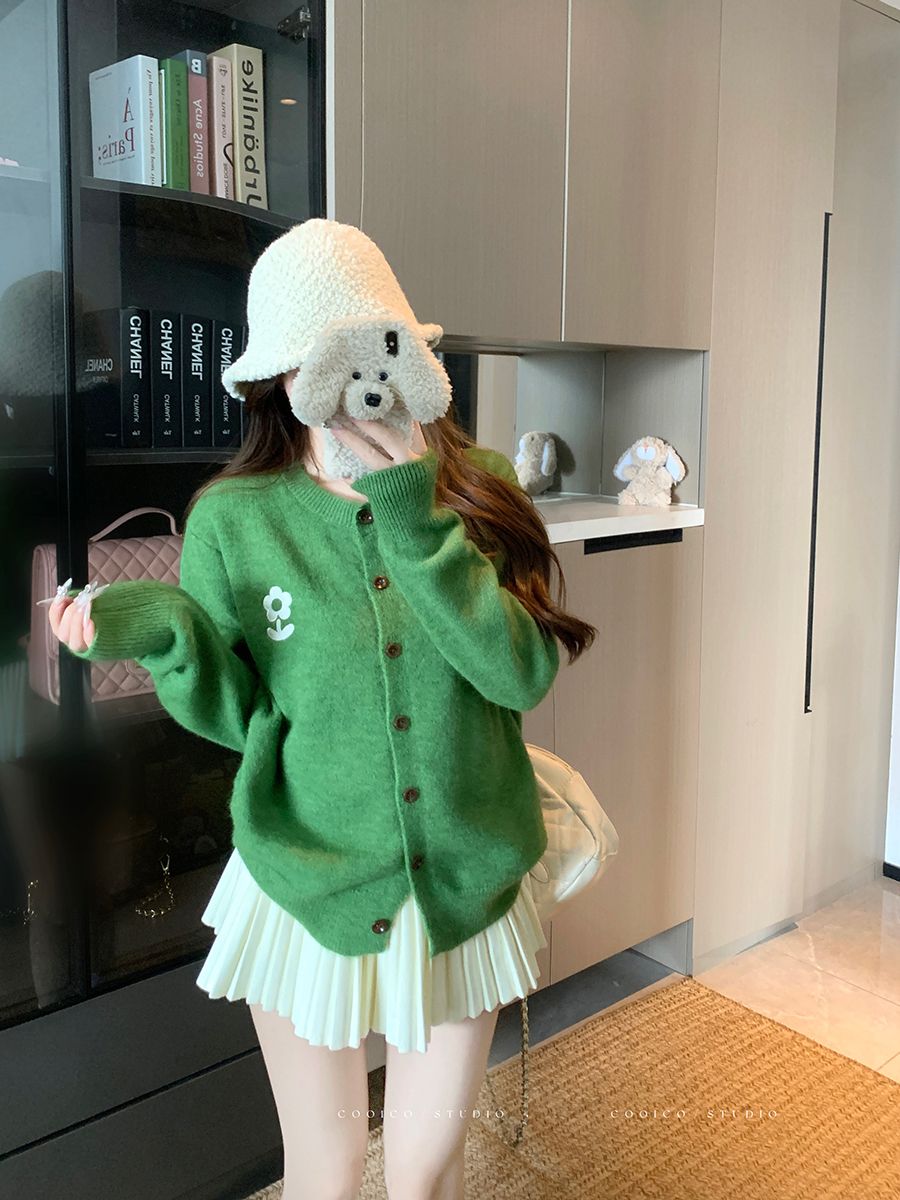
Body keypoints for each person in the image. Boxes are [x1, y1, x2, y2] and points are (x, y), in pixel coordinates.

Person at [47, 220, 596, 1200]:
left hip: (464, 874)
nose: (349, 387)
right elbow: (242, 715)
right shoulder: (235, 519)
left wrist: (413, 511)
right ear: (282, 379)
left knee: (422, 1171)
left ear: (408, 359)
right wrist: (166, 632)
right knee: (329, 1171)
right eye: (318, 364)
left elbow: (518, 676)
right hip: (308, 875)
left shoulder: (480, 488)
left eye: (371, 354)